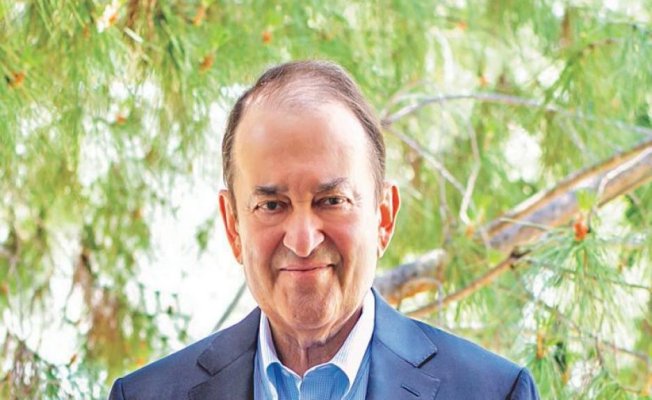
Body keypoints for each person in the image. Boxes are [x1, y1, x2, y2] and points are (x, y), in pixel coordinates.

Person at [109, 60, 540, 400]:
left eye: (331, 201)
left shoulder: (492, 392)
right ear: (233, 225)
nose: (302, 241)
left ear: (384, 217)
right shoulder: (145, 396)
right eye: (271, 205)